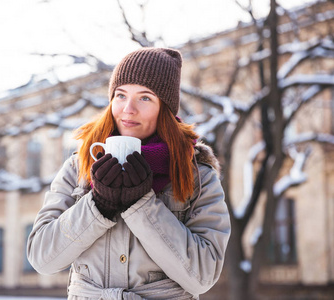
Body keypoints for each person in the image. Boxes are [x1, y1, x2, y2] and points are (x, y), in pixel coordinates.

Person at [27, 47, 231, 300]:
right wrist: (98, 205)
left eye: (145, 98)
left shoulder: (197, 175)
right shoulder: (79, 166)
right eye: (121, 95)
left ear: (164, 108)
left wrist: (141, 205)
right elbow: (42, 258)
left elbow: (202, 276)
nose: (128, 109)